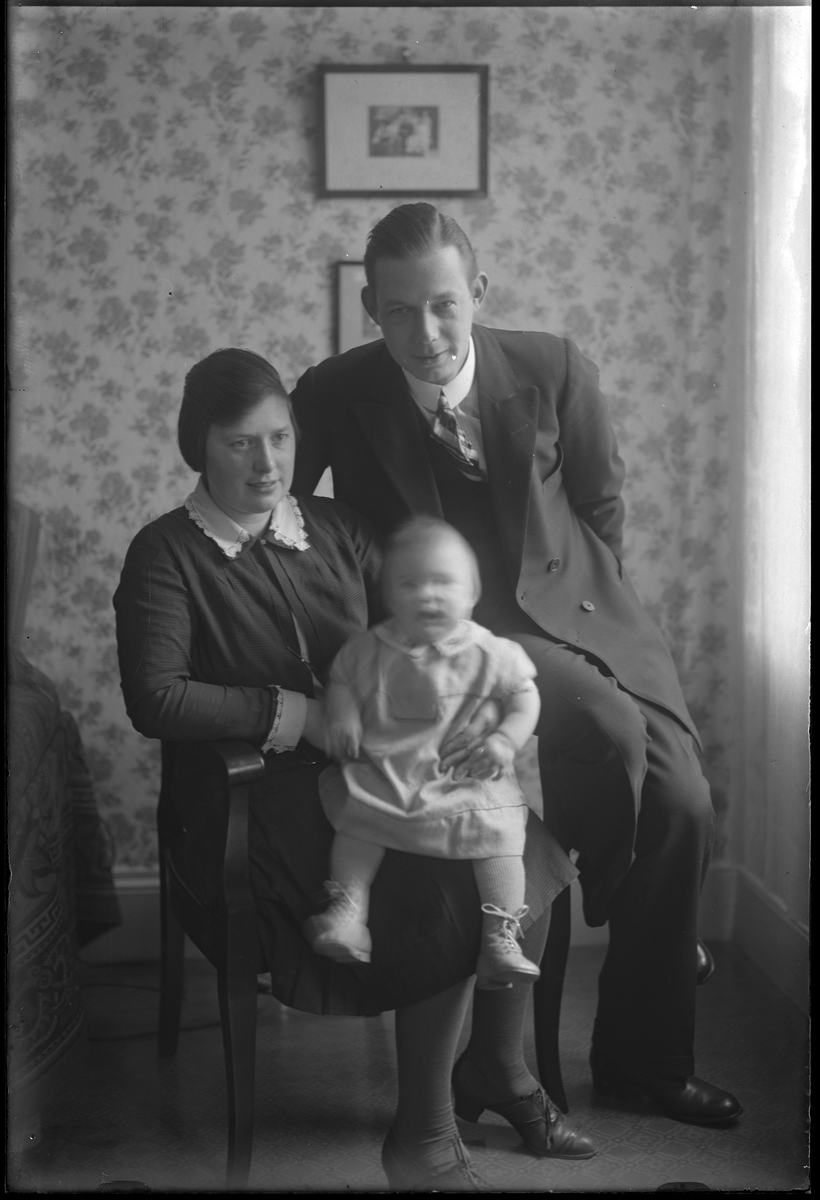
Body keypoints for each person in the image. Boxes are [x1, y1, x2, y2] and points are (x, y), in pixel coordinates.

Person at [291, 203, 743, 1128]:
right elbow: (298, 532)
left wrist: (595, 622)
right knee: (615, 752)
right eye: (403, 311)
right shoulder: (335, 392)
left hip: (584, 619)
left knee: (686, 803)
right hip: (453, 648)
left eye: (446, 307)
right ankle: (655, 920)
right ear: (372, 307)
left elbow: (601, 504)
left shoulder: (551, 366)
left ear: (479, 294)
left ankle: (643, 1063)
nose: (427, 333)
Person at [113, 347, 595, 1192]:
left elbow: (422, 630)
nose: (267, 465)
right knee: (444, 884)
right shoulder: (165, 555)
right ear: (199, 446)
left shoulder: (336, 530)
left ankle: (498, 1068)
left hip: (386, 767)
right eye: (239, 444)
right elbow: (157, 697)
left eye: (281, 438)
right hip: (256, 796)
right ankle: (424, 1136)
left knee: (528, 848)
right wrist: (290, 714)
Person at [309, 516, 577, 990]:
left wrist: (504, 739)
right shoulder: (370, 648)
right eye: (410, 584)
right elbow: (342, 684)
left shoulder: (491, 652)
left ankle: (501, 938)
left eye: (443, 583)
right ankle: (349, 910)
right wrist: (344, 716)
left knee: (501, 839)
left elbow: (524, 697)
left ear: (471, 593)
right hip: (390, 772)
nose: (427, 595)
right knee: (359, 819)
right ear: (390, 597)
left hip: (466, 779)